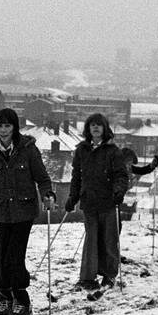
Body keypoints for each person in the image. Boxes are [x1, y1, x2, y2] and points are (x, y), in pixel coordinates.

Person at [0, 108, 56, 315]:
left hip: (24, 211)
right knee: (1, 257)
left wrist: (48, 194)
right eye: (0, 125)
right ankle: (5, 298)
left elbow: (42, 179)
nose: (3, 130)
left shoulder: (28, 150)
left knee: (15, 256)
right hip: (4, 212)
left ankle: (22, 301)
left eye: (7, 125)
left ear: (15, 128)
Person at [65, 113, 130, 290]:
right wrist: (73, 196)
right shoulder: (81, 150)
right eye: (92, 125)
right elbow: (76, 176)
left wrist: (118, 191)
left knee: (109, 240)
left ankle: (109, 275)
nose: (95, 128)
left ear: (105, 129)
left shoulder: (112, 151)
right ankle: (87, 277)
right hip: (89, 201)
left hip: (108, 202)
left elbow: (121, 176)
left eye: (99, 125)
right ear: (88, 129)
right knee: (91, 241)